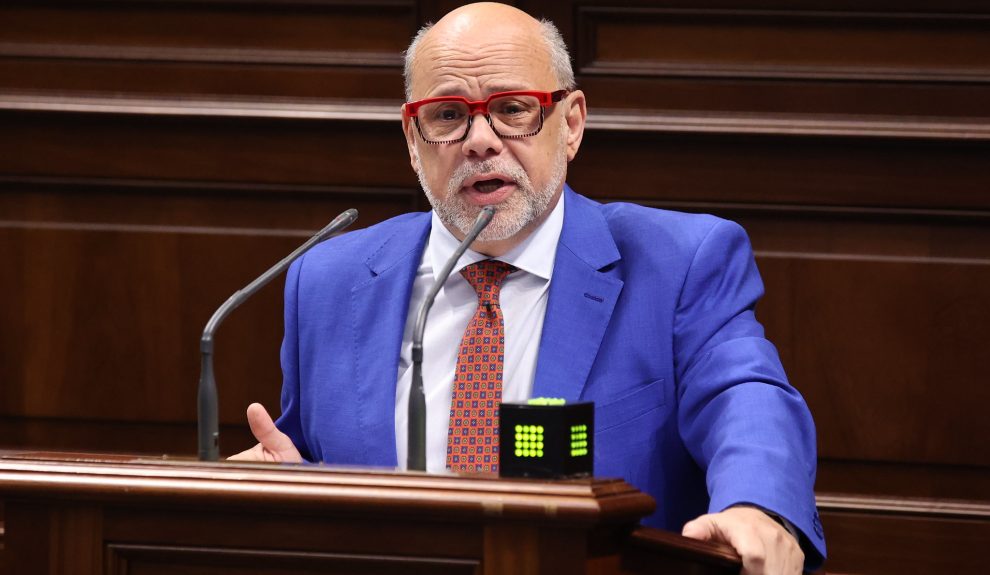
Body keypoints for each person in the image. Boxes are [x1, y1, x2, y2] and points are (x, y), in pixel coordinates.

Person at [231, 3, 825, 572]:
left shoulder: (678, 263)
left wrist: (758, 506)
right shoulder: (329, 278)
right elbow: (309, 462)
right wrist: (284, 487)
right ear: (413, 141)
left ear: (570, 125)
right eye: (447, 115)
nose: (480, 140)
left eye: (513, 109)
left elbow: (746, 398)